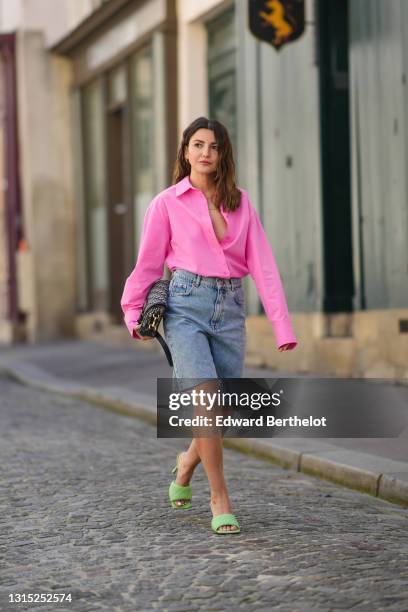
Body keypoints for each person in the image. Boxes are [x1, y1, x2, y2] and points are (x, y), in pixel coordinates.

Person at [120, 116, 298, 534]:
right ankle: (220, 499)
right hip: (184, 305)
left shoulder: (240, 201)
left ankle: (185, 464)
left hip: (231, 307)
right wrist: (133, 314)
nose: (205, 153)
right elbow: (148, 263)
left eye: (213, 147)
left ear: (222, 155)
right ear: (185, 151)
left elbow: (263, 265)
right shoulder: (167, 202)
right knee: (206, 398)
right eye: (197, 145)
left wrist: (282, 325)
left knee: (220, 410)